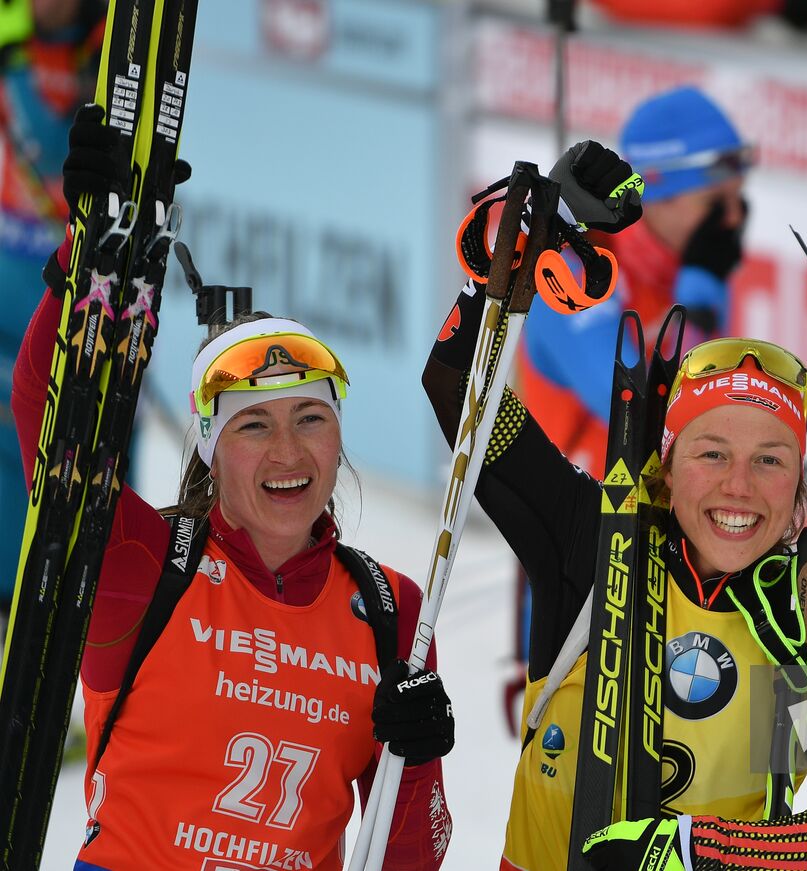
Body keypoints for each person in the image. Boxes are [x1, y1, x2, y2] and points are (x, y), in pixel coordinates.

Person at [422, 142, 807, 870]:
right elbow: (460, 387)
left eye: (770, 461)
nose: (739, 486)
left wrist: (690, 852)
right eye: (711, 453)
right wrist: (522, 236)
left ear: (800, 485)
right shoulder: (595, 533)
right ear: (667, 470)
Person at [11, 108, 455, 868]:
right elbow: (50, 422)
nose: (288, 450)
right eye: (253, 425)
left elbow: (406, 857)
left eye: (310, 417)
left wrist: (416, 761)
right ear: (212, 450)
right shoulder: (144, 565)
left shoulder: (391, 612)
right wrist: (82, 255)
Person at [520, 84, 750, 476]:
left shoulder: (695, 265)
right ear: (657, 194)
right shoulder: (572, 264)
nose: (733, 220)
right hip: (578, 523)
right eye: (715, 204)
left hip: (657, 516)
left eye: (739, 200)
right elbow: (638, 413)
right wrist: (697, 299)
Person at [0, 0, 106, 636]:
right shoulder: (12, 41)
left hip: (77, 279)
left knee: (84, 458)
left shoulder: (116, 50)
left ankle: (73, 646)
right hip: (9, 275)